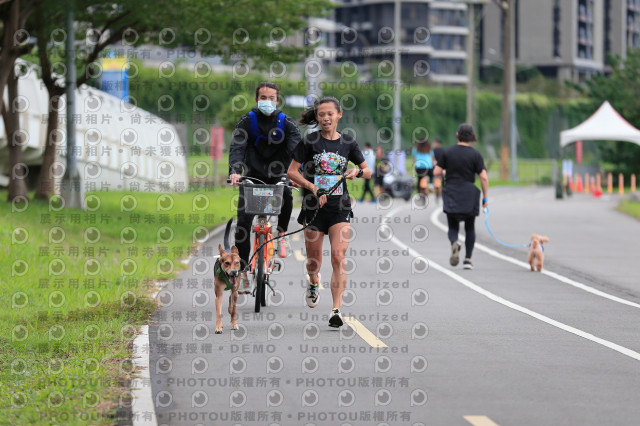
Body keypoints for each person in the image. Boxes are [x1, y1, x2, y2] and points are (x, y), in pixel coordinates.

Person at [287, 97, 372, 328]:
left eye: (330, 114)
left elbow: (368, 172)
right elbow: (292, 172)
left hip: (340, 208)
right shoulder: (309, 142)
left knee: (338, 257)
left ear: (339, 115)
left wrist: (356, 172)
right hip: (314, 209)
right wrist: (313, 187)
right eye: (321, 114)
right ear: (317, 117)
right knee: (314, 262)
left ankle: (336, 310)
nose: (325, 118)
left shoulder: (348, 143)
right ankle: (313, 281)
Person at [228, 82, 302, 292]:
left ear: (277, 101)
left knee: (287, 196)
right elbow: (237, 147)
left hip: (279, 176)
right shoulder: (247, 121)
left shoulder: (286, 123)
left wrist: (297, 174)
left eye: (271, 98)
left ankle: (281, 234)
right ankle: (241, 270)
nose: (267, 101)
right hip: (252, 178)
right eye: (263, 97)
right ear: (256, 99)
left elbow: (297, 149)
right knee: (243, 223)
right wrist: (235, 170)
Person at [433, 124, 489, 270]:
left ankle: (454, 243)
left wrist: (447, 172)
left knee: (453, 225)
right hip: (469, 193)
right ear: (472, 137)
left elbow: (436, 172)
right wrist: (485, 198)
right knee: (470, 227)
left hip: (451, 190)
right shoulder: (475, 155)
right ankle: (468, 260)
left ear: (457, 135)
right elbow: (483, 177)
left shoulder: (447, 152)